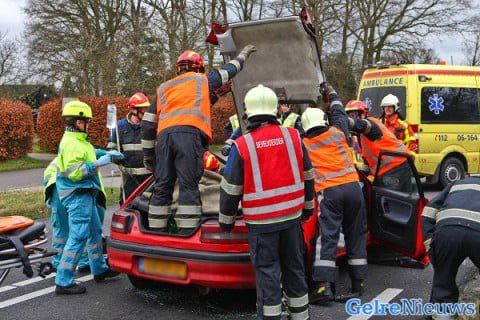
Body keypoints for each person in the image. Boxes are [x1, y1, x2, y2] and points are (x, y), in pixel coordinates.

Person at [219, 84, 315, 320]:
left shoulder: (242, 145)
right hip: (292, 220)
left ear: (248, 113)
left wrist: (226, 222)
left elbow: (230, 189)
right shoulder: (293, 136)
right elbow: (308, 175)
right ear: (275, 110)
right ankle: (301, 317)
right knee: (294, 270)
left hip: (261, 225)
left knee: (268, 274)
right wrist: (307, 209)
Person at [141, 45, 256, 233]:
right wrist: (243, 55)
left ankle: (156, 234)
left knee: (162, 187)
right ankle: (186, 233)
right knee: (188, 186)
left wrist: (148, 156)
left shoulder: (164, 88)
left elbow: (147, 124)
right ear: (199, 67)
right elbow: (230, 70)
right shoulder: (202, 80)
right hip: (188, 137)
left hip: (163, 140)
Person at [302, 85, 367, 303]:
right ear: (323, 121)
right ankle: (358, 284)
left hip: (330, 193)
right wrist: (330, 93)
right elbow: (339, 111)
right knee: (355, 235)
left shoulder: (304, 144)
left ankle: (323, 288)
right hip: (354, 189)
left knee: (328, 238)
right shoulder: (339, 131)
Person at [54, 100, 122, 294]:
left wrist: (105, 153)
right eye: (87, 121)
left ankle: (99, 269)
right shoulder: (71, 143)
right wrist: (99, 164)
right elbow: (75, 173)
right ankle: (63, 281)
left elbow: (88, 152)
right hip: (77, 194)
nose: (89, 124)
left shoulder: (77, 140)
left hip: (85, 193)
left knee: (94, 231)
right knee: (79, 235)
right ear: (78, 121)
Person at [422, 176, 480, 320]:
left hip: (447, 233)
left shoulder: (458, 183)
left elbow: (428, 212)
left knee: (443, 284)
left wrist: (431, 243)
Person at [108, 92, 152, 204]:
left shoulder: (150, 126)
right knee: (127, 208)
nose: (146, 111)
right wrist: (114, 155)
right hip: (129, 180)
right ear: (133, 110)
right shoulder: (120, 127)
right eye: (143, 108)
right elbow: (111, 149)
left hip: (149, 180)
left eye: (147, 108)